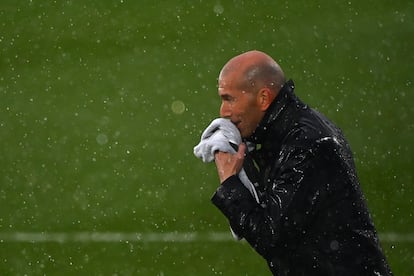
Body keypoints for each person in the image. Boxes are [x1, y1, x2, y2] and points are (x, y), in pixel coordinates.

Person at [198, 50, 392, 275]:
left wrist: (230, 182)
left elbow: (269, 236)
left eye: (229, 99)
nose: (223, 112)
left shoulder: (307, 144)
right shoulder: (286, 133)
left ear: (263, 98)